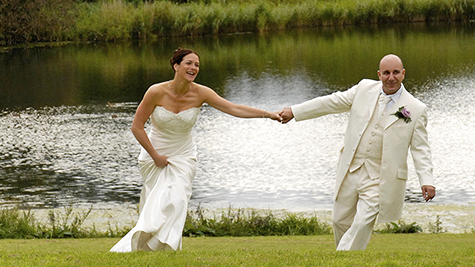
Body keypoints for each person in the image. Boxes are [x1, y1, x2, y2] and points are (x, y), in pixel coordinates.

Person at [111, 47, 282, 252]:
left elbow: (233, 108)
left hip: (183, 155)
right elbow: (136, 127)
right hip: (155, 153)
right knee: (156, 202)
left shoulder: (202, 93)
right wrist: (155, 156)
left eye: (197, 65)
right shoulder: (156, 92)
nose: (194, 68)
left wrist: (267, 114)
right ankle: (144, 245)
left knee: (177, 198)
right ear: (176, 66)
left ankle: (165, 246)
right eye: (189, 63)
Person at [279, 53, 435, 251]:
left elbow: (421, 148)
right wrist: (295, 111)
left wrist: (427, 180)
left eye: (396, 72)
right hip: (351, 169)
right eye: (386, 73)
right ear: (379, 74)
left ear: (403, 74)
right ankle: (349, 262)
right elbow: (330, 102)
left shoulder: (415, 109)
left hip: (380, 178)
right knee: (339, 221)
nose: (391, 77)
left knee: (361, 223)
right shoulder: (363, 89)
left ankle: (340, 261)